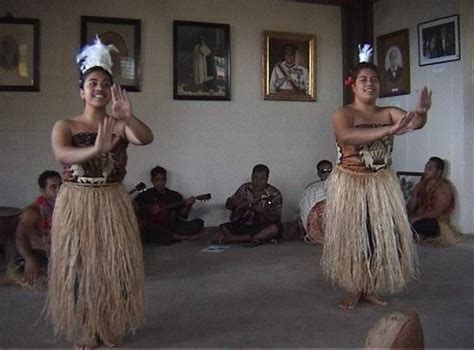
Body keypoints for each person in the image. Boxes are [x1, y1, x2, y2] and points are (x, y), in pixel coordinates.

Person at [49, 36, 154, 348]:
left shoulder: (118, 125)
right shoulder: (65, 124)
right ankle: (84, 328)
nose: (99, 88)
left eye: (105, 83)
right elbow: (62, 155)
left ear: (111, 92)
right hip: (76, 201)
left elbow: (145, 138)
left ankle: (107, 324)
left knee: (110, 267)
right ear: (82, 91)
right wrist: (95, 148)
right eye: (92, 82)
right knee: (80, 267)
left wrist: (127, 116)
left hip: (111, 201)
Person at [322, 44, 432, 310]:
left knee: (376, 236)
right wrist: (389, 130)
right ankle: (353, 288)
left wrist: (422, 112)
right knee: (353, 236)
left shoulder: (388, 112)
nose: (369, 84)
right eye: (363, 80)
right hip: (350, 181)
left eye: (374, 80)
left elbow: (413, 123)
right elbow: (348, 136)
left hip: (380, 183)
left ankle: (370, 286)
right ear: (353, 85)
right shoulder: (343, 113)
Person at [10, 170, 61, 285]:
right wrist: (29, 259)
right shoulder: (33, 211)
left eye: (60, 185)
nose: (59, 190)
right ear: (43, 191)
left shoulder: (65, 206)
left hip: (56, 250)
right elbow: (20, 236)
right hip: (37, 251)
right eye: (53, 187)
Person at [134, 165, 206, 244]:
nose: (160, 183)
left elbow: (183, 215)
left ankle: (171, 236)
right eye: (157, 180)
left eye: (162, 180)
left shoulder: (174, 195)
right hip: (154, 226)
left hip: (171, 224)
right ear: (152, 181)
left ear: (166, 180)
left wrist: (189, 205)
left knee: (199, 222)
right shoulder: (146, 194)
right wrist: (148, 208)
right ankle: (187, 237)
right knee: (147, 229)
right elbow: (134, 208)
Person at [216, 164, 283, 247]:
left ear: (267, 179)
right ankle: (254, 238)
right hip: (243, 224)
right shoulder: (244, 188)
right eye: (255, 178)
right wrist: (234, 202)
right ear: (251, 177)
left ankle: (236, 239)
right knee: (224, 227)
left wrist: (262, 213)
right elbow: (228, 205)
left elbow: (276, 218)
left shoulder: (274, 194)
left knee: (275, 229)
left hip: (262, 226)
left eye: (262, 179)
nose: (258, 182)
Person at [407, 156, 462, 246]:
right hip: (417, 218)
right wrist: (405, 216)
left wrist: (415, 219)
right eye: (426, 167)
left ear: (438, 172)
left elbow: (436, 212)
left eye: (430, 168)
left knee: (426, 224)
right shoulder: (420, 185)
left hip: (435, 223)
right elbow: (411, 205)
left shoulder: (444, 188)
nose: (426, 170)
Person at [298, 160, 333, 244]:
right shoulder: (312, 188)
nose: (327, 174)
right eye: (323, 171)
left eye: (330, 171)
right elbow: (306, 205)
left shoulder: (341, 185)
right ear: (319, 174)